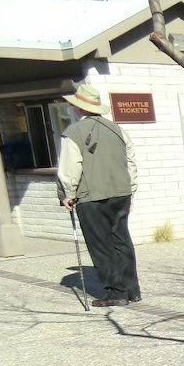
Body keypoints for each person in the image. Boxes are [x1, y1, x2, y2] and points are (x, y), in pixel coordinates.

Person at [57, 84, 140, 307]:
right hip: (121, 193)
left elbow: (70, 168)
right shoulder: (118, 130)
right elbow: (130, 163)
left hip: (91, 196)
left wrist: (67, 194)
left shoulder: (73, 132)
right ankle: (132, 290)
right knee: (121, 239)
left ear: (79, 108)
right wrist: (131, 192)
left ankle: (117, 293)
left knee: (101, 243)